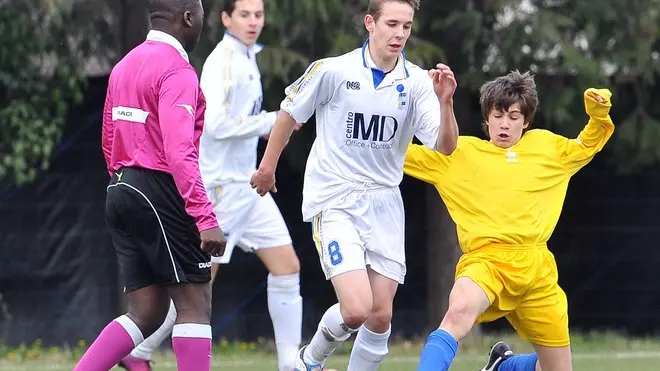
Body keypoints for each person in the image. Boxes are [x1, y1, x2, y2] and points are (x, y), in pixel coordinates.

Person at [249, 0, 459, 369]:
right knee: (357, 308)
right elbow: (289, 112)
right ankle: (308, 361)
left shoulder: (417, 84)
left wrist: (446, 103)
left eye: (407, 26)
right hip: (336, 198)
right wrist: (267, 169)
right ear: (369, 23)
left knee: (380, 316)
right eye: (392, 24)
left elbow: (445, 146)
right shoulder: (333, 70)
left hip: (385, 203)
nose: (399, 34)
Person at [119, 1, 304, 370]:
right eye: (245, 15)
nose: (253, 22)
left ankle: (290, 363)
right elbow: (216, 125)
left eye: (259, 15)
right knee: (195, 290)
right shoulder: (223, 61)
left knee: (287, 267)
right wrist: (271, 122)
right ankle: (137, 350)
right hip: (221, 189)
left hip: (247, 186)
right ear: (225, 19)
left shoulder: (248, 56)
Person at [404, 71, 614, 371]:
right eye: (498, 115)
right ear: (486, 118)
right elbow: (394, 152)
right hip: (486, 263)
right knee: (458, 312)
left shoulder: (547, 148)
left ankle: (505, 365)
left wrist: (598, 114)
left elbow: (587, 145)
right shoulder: (458, 153)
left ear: (526, 121)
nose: (505, 124)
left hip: (536, 271)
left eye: (514, 116)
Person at [74, 0, 227, 370]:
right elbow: (179, 151)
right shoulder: (178, 71)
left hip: (121, 187)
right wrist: (204, 217)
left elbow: (110, 137)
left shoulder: (124, 65)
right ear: (189, 18)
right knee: (194, 304)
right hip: (157, 187)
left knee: (148, 311)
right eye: (202, 16)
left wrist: (127, 185)